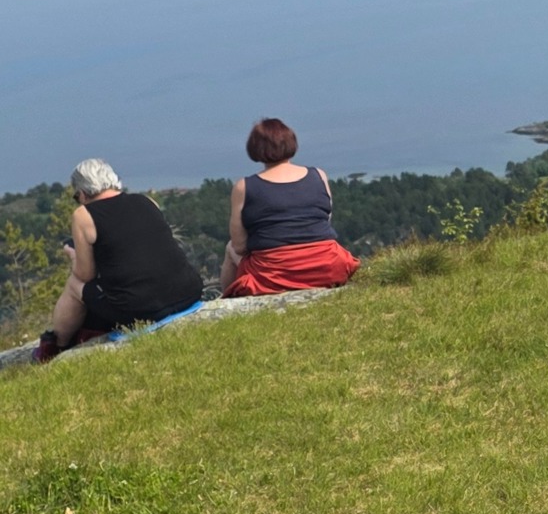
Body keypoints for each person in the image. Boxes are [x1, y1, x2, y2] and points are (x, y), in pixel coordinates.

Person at [35, 159, 203, 360]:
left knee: (74, 284)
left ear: (82, 193)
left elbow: (85, 275)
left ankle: (57, 348)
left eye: (76, 196)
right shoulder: (147, 201)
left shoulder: (84, 215)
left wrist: (74, 256)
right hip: (188, 291)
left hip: (141, 309)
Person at [222, 118, 359, 296]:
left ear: (255, 148)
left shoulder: (244, 187)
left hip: (273, 275)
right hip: (328, 266)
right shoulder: (319, 175)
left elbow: (239, 246)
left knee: (229, 248)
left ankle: (227, 301)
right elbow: (324, 221)